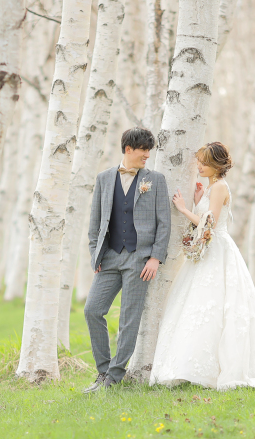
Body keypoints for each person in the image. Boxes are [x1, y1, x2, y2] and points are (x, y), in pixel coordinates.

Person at [149, 142, 255, 391]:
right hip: (208, 252)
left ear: (217, 165)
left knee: (215, 306)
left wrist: (184, 209)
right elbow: (206, 217)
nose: (200, 166)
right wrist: (197, 201)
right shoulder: (210, 188)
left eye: (205, 163)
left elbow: (210, 226)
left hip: (218, 252)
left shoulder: (219, 187)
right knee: (198, 306)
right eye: (199, 162)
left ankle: (214, 369)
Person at [82, 128, 171, 393]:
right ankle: (102, 370)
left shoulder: (155, 180)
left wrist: (155, 257)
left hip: (139, 259)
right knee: (92, 310)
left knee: (129, 319)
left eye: (149, 149)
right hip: (108, 257)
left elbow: (164, 224)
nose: (147, 154)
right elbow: (95, 222)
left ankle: (115, 377)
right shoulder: (104, 178)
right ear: (128, 149)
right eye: (143, 149)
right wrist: (94, 254)